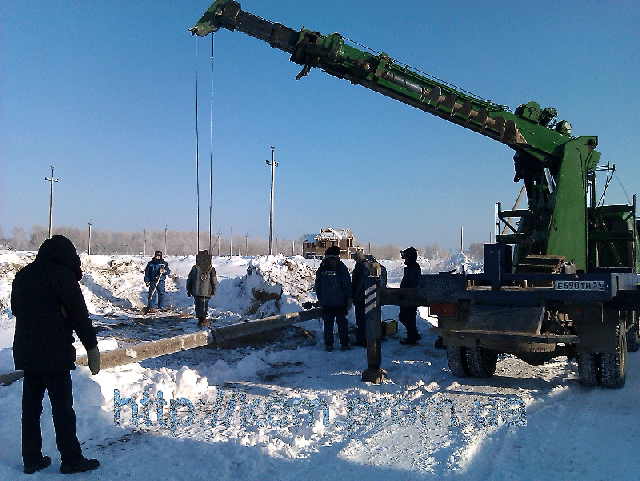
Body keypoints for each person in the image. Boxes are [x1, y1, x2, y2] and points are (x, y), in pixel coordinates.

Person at [11, 235, 101, 475]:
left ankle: (31, 459)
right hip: (55, 354)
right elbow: (79, 316)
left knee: (30, 410)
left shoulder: (23, 275)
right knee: (62, 409)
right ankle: (71, 460)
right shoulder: (63, 277)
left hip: (27, 353)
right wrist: (92, 348)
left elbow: (15, 309)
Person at [314, 246, 352, 351]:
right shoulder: (341, 266)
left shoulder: (322, 267)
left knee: (328, 324)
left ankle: (329, 345)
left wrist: (320, 298)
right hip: (340, 301)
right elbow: (347, 284)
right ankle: (344, 344)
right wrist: (349, 299)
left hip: (326, 302)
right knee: (342, 323)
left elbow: (318, 285)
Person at [186, 250, 217, 327]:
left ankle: (200, 320)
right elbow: (213, 280)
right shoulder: (210, 268)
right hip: (206, 291)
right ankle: (203, 319)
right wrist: (213, 289)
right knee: (204, 305)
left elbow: (189, 279)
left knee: (198, 305)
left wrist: (189, 289)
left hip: (196, 290)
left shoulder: (195, 268)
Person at [399, 246, 422, 345]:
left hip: (409, 297)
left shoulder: (413, 268)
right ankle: (414, 334)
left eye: (406, 258)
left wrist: (405, 294)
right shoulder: (412, 267)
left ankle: (411, 337)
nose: (404, 260)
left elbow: (411, 284)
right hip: (409, 296)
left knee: (405, 317)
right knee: (409, 317)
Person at [351, 251, 374, 347]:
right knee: (365, 319)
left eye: (355, 259)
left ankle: (362, 340)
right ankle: (367, 339)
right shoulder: (368, 265)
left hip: (361, 297)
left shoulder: (362, 267)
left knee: (361, 320)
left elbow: (359, 283)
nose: (355, 261)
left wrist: (355, 294)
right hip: (367, 296)